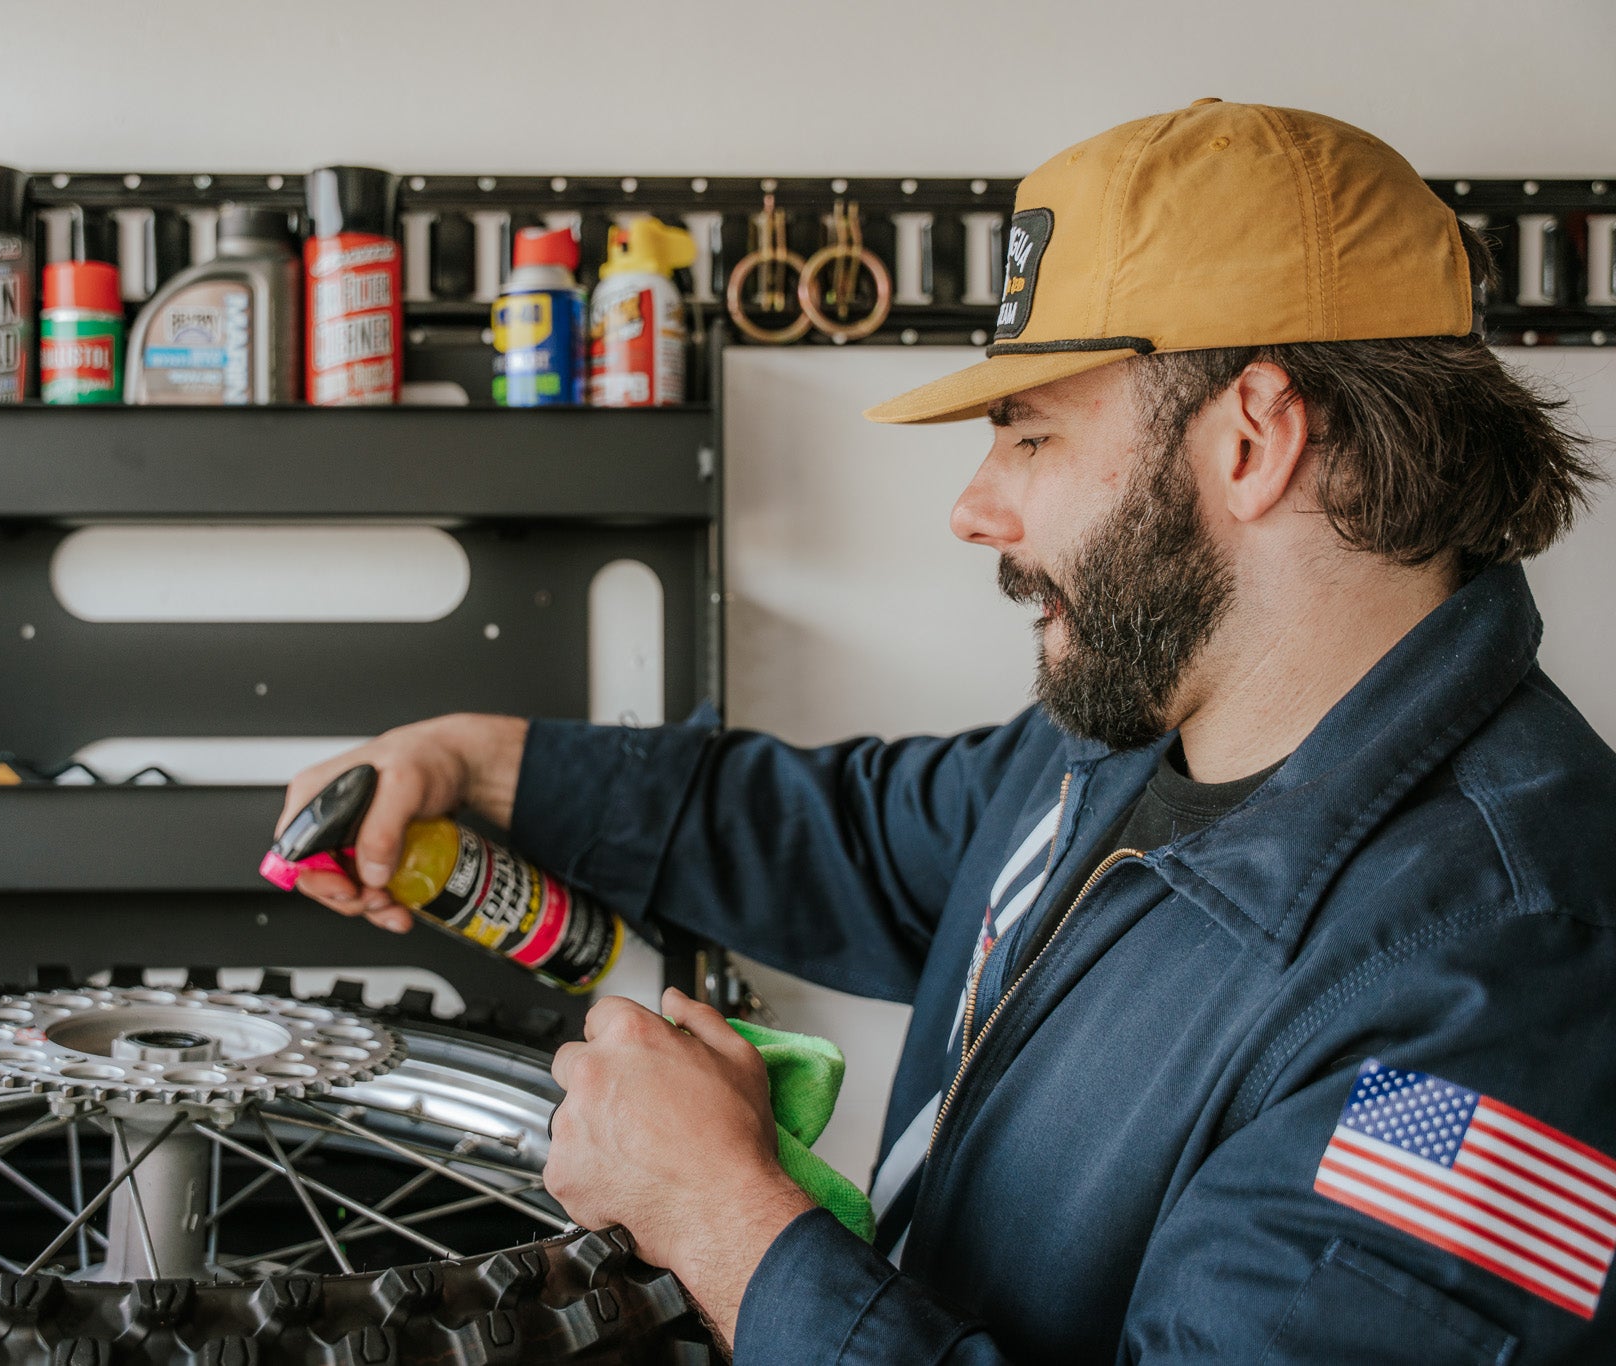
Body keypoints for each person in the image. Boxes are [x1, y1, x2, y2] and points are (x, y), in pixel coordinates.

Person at [277, 100, 1614, 1362]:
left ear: (1253, 438)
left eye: (1027, 436)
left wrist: (727, 1224)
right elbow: (848, 836)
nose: (977, 507)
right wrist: (471, 760)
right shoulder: (1137, 734)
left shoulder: (1503, 982)